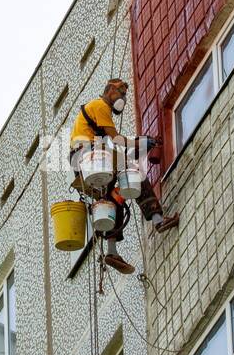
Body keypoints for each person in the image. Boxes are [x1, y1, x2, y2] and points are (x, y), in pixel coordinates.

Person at [70, 78, 179, 274]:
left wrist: (137, 146)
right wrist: (142, 143)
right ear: (110, 90)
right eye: (121, 92)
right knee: (134, 174)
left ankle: (112, 251)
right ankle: (157, 220)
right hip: (88, 156)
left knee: (115, 198)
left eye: (125, 94)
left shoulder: (97, 113)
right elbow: (117, 139)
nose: (123, 97)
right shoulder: (100, 105)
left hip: (84, 161)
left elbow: (114, 146)